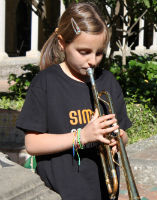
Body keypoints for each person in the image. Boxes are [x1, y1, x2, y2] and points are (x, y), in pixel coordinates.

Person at [16, 2, 131, 200]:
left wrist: (118, 139)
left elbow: (124, 134)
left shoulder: (108, 82)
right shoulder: (46, 82)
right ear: (62, 43)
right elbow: (32, 144)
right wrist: (82, 137)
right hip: (60, 192)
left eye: (99, 52)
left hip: (101, 190)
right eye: (84, 52)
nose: (93, 61)